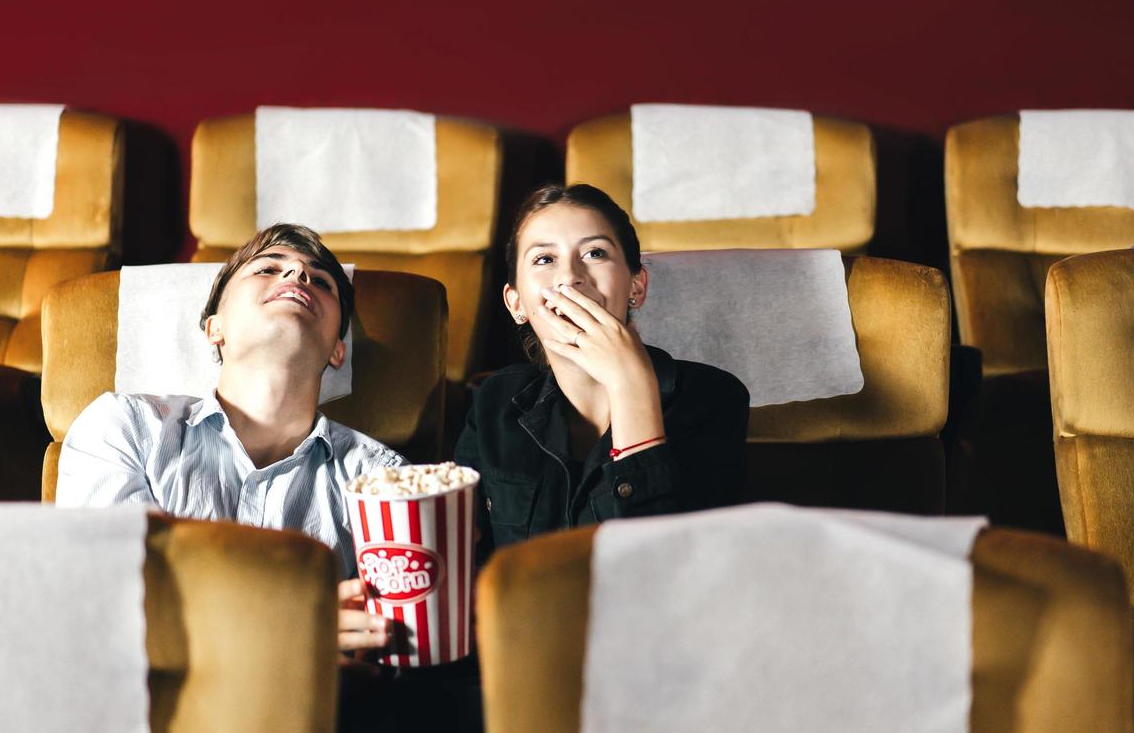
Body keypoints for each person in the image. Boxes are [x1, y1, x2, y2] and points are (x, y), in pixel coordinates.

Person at [56, 223, 397, 665]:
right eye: (268, 268)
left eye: (321, 280)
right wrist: (295, 624)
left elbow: (391, 645)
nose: (297, 274)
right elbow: (105, 594)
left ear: (337, 350)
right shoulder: (123, 426)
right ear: (215, 327)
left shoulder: (385, 479)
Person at [456, 182, 750, 564]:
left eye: (595, 253)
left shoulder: (712, 398)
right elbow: (460, 554)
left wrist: (633, 389)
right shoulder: (494, 402)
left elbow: (667, 569)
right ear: (516, 304)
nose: (570, 278)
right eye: (544, 259)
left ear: (636, 286)